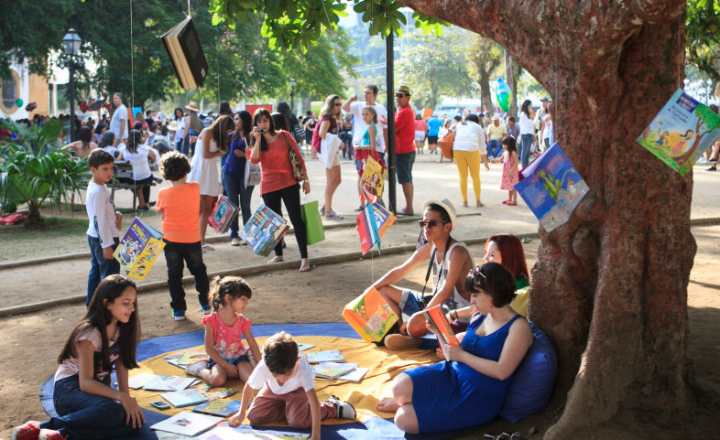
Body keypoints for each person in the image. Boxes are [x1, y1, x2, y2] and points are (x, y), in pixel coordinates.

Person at [375, 263, 533, 434]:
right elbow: (453, 355)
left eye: (475, 295)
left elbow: (502, 371)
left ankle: (409, 405)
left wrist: (463, 356)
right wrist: (438, 332)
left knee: (402, 420)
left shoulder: (518, 327)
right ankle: (408, 403)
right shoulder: (480, 315)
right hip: (452, 373)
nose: (471, 301)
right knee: (398, 386)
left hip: (477, 395)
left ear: (492, 294)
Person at [11, 275, 144, 440]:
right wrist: (122, 398)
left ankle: (61, 435)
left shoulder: (123, 329)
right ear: (107, 303)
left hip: (96, 398)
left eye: (133, 303)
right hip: (70, 390)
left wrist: (127, 399)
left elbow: (122, 364)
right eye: (126, 303)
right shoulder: (89, 334)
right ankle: (39, 428)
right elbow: (86, 382)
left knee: (133, 422)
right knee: (115, 411)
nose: (131, 308)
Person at [370, 199, 474, 350]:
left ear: (447, 226)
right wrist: (371, 288)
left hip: (456, 311)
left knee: (414, 322)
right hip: (435, 301)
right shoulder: (430, 247)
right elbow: (401, 271)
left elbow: (445, 292)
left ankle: (411, 332)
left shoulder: (457, 252)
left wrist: (419, 316)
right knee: (381, 291)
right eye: (423, 223)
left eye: (432, 223)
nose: (426, 227)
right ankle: (404, 334)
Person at [228, 332, 356, 438]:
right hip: (273, 390)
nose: (282, 379)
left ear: (296, 362)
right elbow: (249, 387)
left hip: (297, 390)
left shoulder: (302, 367)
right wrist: (241, 412)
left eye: (287, 375)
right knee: (254, 416)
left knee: (298, 422)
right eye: (277, 375)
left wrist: (316, 436)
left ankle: (332, 407)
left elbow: (314, 401)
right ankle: (292, 410)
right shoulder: (264, 365)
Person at [249, 108, 312, 272]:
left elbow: (298, 157)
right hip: (269, 185)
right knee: (274, 222)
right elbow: (254, 160)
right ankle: (279, 254)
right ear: (255, 124)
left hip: (289, 183)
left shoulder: (284, 135)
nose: (263, 124)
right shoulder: (257, 140)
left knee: (296, 219)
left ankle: (304, 258)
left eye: (265, 120)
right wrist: (257, 139)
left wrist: (306, 179)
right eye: (259, 121)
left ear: (270, 121)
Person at [156, 151, 211, 321]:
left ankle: (178, 309)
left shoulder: (162, 194)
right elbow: (199, 208)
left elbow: (160, 210)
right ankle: (205, 302)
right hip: (192, 238)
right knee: (199, 270)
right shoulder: (194, 187)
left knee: (174, 273)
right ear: (186, 171)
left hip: (170, 239)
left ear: (166, 174)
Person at [447, 234, 531, 333]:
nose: (485, 258)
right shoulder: (495, 281)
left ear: (509, 257)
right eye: (486, 253)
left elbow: (488, 310)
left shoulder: (522, 291)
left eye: (491, 255)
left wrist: (455, 315)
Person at [185, 276, 261, 386]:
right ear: (228, 298)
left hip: (238, 357)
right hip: (219, 359)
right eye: (243, 299)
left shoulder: (242, 321)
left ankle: (249, 356)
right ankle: (199, 369)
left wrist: (261, 363)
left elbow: (253, 345)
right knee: (217, 380)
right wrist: (226, 365)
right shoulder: (212, 320)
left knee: (252, 381)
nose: (246, 303)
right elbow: (209, 349)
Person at [187, 115, 233, 251]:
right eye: (227, 130)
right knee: (199, 209)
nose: (228, 133)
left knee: (206, 209)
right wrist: (219, 153)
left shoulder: (219, 137)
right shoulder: (207, 131)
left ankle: (201, 241)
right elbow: (206, 154)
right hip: (201, 170)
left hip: (211, 171)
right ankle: (193, 241)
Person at [84, 150, 123, 306]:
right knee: (109, 276)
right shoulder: (98, 191)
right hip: (104, 240)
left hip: (97, 237)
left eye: (111, 168)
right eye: (105, 169)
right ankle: (104, 306)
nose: (109, 172)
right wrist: (106, 244)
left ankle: (92, 304)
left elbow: (102, 213)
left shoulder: (99, 186)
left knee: (96, 272)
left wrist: (116, 215)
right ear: (94, 170)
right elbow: (98, 219)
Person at [223, 111, 255, 246]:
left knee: (246, 205)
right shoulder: (231, 136)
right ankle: (234, 235)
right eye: (234, 119)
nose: (235, 122)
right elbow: (224, 155)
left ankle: (247, 234)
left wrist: (244, 155)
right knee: (233, 205)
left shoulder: (253, 137)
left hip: (246, 174)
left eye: (237, 119)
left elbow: (256, 156)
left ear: (245, 121)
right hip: (229, 173)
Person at [385, 85, 415, 215]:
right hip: (404, 150)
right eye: (397, 95)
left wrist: (386, 123)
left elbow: (394, 127)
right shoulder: (405, 110)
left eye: (401, 95)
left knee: (405, 179)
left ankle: (409, 207)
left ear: (408, 97)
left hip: (403, 151)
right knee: (406, 179)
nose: (397, 98)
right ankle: (408, 207)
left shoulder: (404, 112)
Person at [342, 84, 389, 164]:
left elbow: (385, 129)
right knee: (361, 173)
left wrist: (387, 147)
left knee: (375, 174)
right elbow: (344, 107)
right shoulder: (358, 106)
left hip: (377, 147)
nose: (365, 95)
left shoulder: (381, 108)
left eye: (368, 93)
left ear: (375, 95)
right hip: (360, 146)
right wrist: (351, 99)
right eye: (364, 92)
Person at [315, 94, 344, 220]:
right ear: (330, 105)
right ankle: (328, 210)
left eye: (339, 104)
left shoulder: (331, 118)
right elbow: (322, 134)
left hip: (332, 152)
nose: (338, 107)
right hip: (328, 153)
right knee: (331, 181)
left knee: (337, 180)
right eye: (336, 104)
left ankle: (326, 206)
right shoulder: (327, 118)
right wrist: (339, 142)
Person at [453, 114, 489, 208]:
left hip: (457, 149)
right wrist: (485, 162)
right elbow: (482, 146)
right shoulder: (478, 127)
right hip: (472, 149)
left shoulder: (459, 124)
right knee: (475, 176)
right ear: (477, 120)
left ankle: (464, 202)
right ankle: (478, 201)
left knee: (462, 176)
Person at [116, 129, 157, 211]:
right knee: (147, 176)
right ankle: (145, 203)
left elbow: (118, 162)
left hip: (131, 179)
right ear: (140, 138)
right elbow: (154, 159)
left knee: (134, 179)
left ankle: (143, 203)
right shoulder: (146, 149)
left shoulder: (124, 150)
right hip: (145, 178)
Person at [501, 136, 520, 206]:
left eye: (505, 144)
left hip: (512, 173)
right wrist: (493, 160)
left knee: (514, 186)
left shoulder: (513, 153)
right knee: (509, 186)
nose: (503, 146)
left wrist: (511, 172)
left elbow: (516, 163)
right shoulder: (505, 152)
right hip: (507, 172)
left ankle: (514, 200)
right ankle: (509, 198)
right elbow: (500, 159)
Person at [518, 100, 535, 168]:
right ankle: (524, 166)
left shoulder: (526, 115)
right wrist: (531, 116)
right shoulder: (523, 114)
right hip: (525, 134)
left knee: (528, 152)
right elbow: (529, 124)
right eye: (530, 105)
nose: (531, 107)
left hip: (529, 134)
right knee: (525, 151)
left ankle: (526, 165)